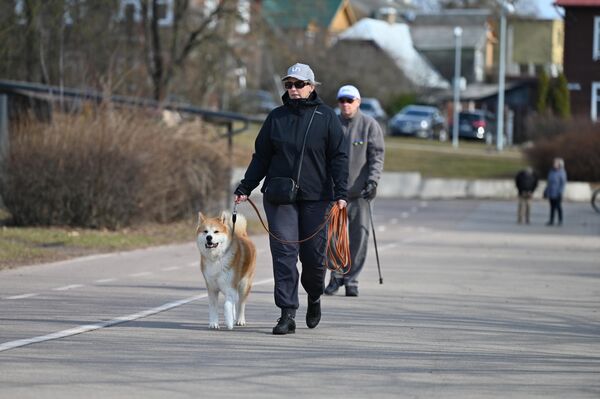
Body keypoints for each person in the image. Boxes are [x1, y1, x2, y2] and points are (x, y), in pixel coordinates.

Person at [233, 63, 348, 335]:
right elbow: (261, 156)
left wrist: (341, 193)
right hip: (280, 196)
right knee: (284, 254)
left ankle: (315, 295)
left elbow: (340, 157)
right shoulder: (276, 118)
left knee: (313, 259)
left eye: (299, 84)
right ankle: (287, 313)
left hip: (317, 198)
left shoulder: (327, 117)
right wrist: (246, 186)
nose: (293, 90)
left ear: (311, 86)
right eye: (289, 85)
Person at [324, 85, 384, 297]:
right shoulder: (331, 123)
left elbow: (377, 156)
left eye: (350, 100)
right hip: (334, 192)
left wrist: (373, 182)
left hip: (360, 194)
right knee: (332, 237)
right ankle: (336, 276)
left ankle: (352, 279)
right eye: (342, 100)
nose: (346, 104)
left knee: (359, 237)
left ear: (358, 102)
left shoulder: (369, 125)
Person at [544, 157, 567, 226]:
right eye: (554, 163)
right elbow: (548, 183)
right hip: (551, 192)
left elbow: (563, 184)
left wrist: (560, 192)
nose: (554, 164)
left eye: (556, 163)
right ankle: (551, 220)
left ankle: (560, 220)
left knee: (558, 207)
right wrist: (545, 191)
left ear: (559, 164)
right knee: (552, 207)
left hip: (557, 193)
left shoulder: (562, 172)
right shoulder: (551, 172)